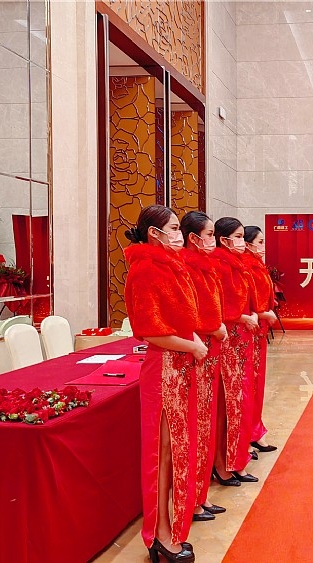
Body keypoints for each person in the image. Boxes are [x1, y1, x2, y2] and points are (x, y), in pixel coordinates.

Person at [124, 205, 207, 563]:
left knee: (174, 452)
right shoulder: (145, 270)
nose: (179, 234)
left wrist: (192, 342)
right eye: (173, 228)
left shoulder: (171, 266)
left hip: (179, 367)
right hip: (163, 370)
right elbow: (150, 331)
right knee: (161, 455)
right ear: (154, 234)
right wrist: (193, 346)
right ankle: (158, 535)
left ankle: (169, 528)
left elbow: (182, 320)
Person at [179, 211, 229, 521]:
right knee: (197, 426)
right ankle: (194, 498)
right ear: (193, 238)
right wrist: (212, 327)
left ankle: (201, 494)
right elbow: (190, 314)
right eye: (209, 235)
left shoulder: (206, 267)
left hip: (210, 349)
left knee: (206, 423)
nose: (213, 241)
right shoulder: (186, 269)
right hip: (198, 351)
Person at [209, 217, 260, 485]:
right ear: (224, 239)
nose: (242, 242)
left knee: (241, 401)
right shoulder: (218, 265)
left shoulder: (239, 264)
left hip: (242, 338)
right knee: (229, 404)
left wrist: (252, 315)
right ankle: (223, 463)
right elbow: (217, 307)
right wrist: (242, 318)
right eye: (238, 237)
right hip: (228, 339)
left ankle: (237, 459)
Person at [243, 226, 278, 453]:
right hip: (248, 331)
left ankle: (254, 431)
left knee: (256, 385)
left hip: (259, 331)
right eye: (260, 241)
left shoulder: (257, 265)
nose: (263, 247)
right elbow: (245, 303)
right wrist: (263, 314)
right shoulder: (245, 267)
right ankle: (247, 435)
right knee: (248, 387)